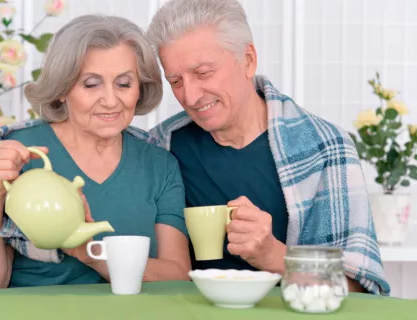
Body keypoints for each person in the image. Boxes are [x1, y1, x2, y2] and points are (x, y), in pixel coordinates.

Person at [145, 0, 390, 295]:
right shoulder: (160, 146)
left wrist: (273, 256)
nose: (191, 95)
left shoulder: (326, 148)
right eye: (175, 80)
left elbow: (360, 291)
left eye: (203, 73)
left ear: (248, 60)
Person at [0, 14, 190, 292]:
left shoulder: (159, 163)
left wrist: (90, 253)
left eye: (124, 84)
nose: (110, 100)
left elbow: (177, 275)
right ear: (61, 90)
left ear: (140, 89)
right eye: (91, 84)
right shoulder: (21, 151)